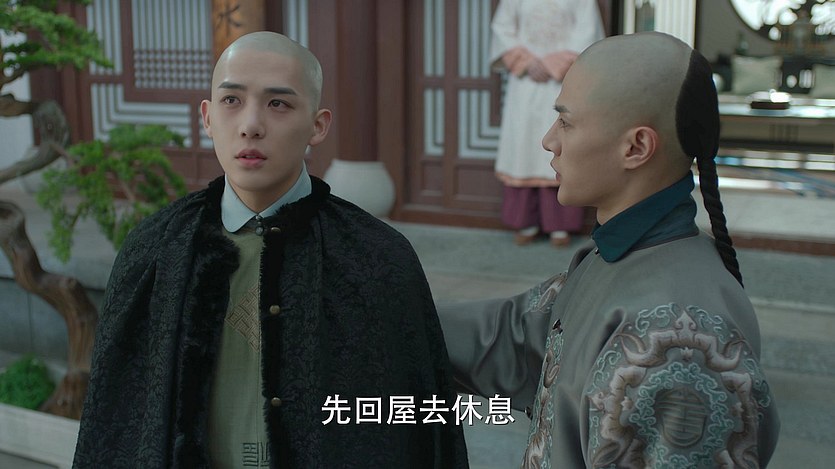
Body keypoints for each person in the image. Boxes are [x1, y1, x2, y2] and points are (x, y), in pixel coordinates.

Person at [73, 31, 468, 468]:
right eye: (231, 100)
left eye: (278, 103)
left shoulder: (377, 256)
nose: (250, 125)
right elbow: (116, 424)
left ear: (318, 125)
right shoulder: (155, 249)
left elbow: (419, 431)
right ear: (207, 117)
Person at [439, 32, 780, 468]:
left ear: (636, 147)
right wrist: (377, 296)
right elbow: (518, 336)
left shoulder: (678, 339)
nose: (549, 140)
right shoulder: (618, 255)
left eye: (566, 122)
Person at [490, 0, 604, 247]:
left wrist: (554, 64)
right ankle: (526, 221)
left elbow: (587, 31)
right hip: (525, 82)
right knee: (524, 148)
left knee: (563, 144)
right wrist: (528, 62)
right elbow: (502, 27)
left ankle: (560, 224)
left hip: (564, 81)